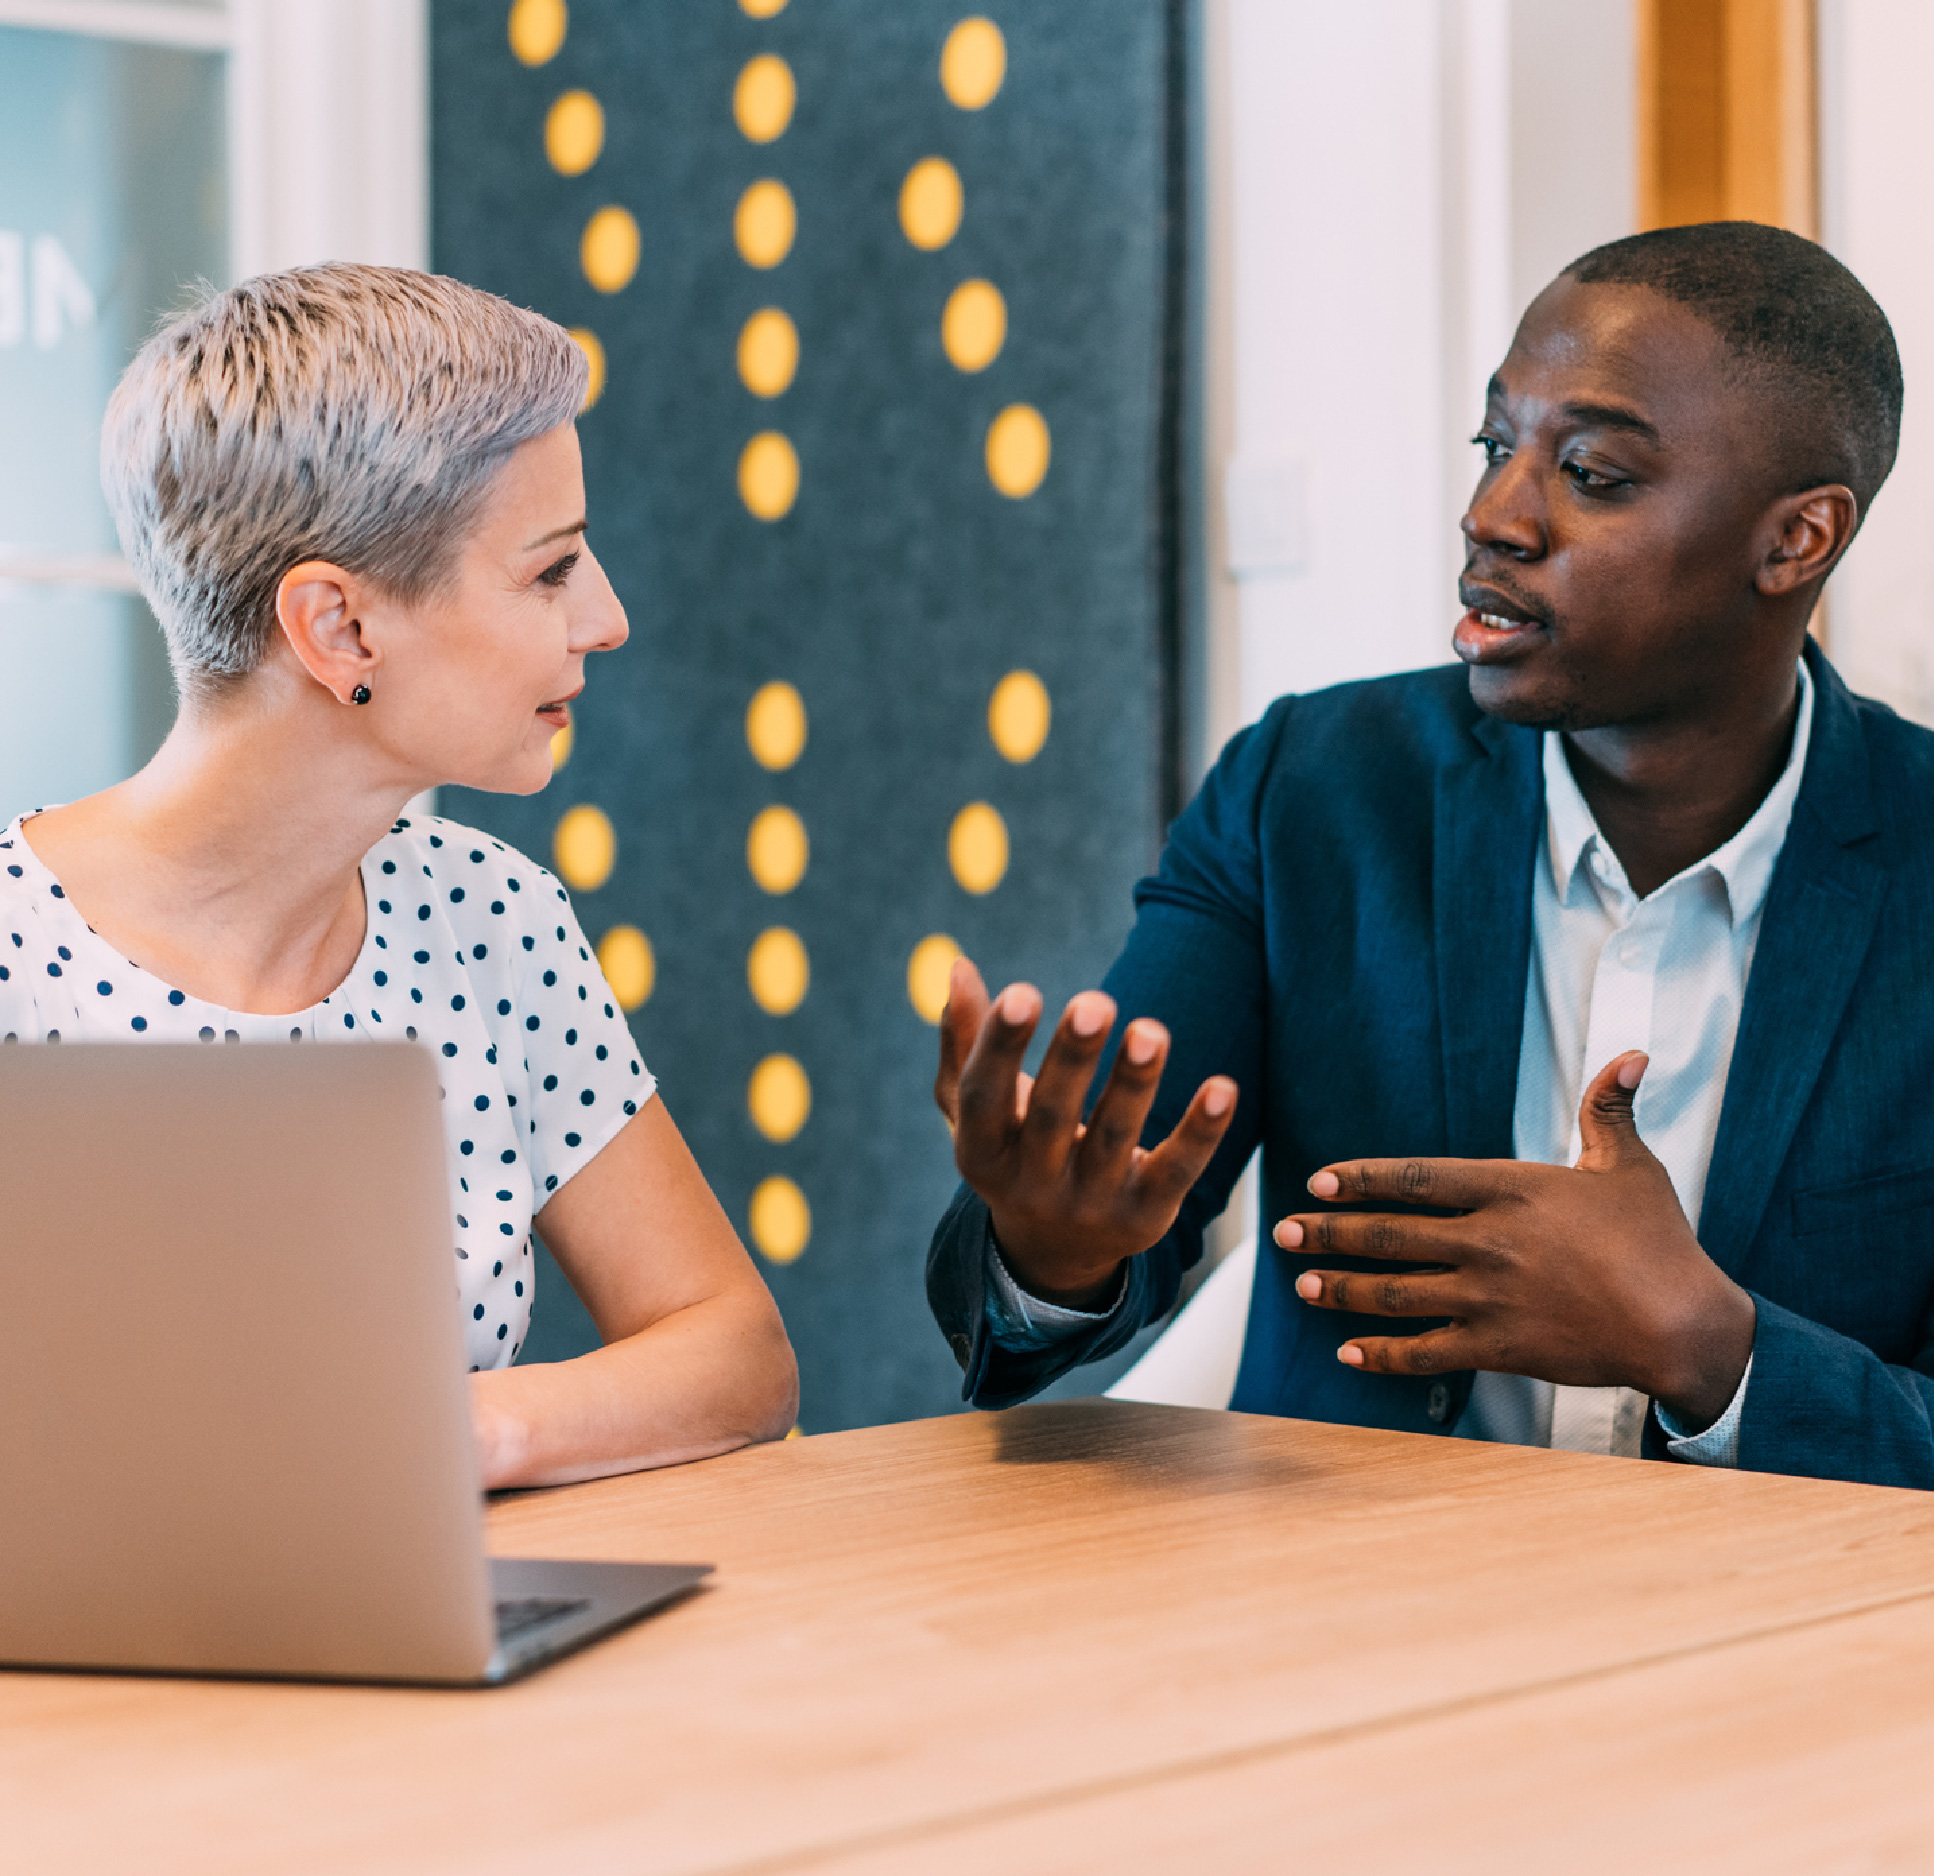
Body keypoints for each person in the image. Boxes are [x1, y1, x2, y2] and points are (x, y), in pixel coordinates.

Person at [927, 220, 1934, 1489]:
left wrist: (1709, 1348)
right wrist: (1050, 1244)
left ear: (1793, 541)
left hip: (1786, 1653)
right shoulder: (1311, 787)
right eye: (1493, 445)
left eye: (1591, 472)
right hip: (1353, 1619)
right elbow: (1086, 1220)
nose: (1494, 514)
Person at [0, 264, 798, 1488]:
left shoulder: (492, 918)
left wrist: (449, 1433)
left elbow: (736, 1359)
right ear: (339, 631)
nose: (606, 618)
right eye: (549, 570)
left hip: (440, 1640)